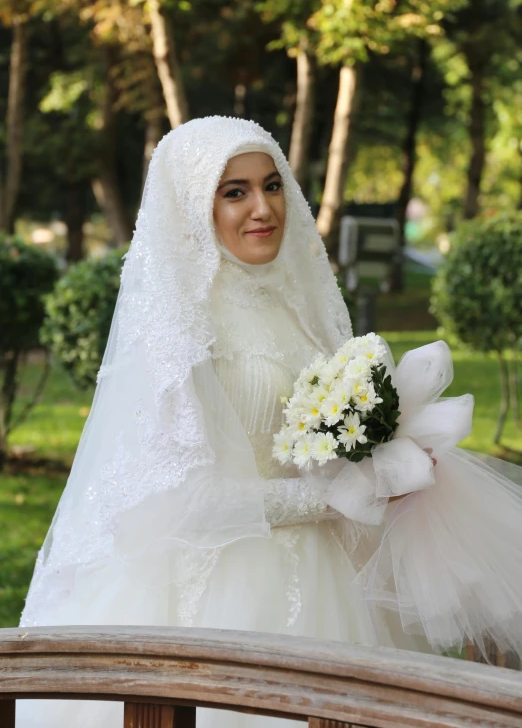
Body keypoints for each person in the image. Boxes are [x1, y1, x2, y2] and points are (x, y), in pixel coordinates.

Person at [17, 117, 522, 728]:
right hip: (220, 594)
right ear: (191, 205)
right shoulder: (178, 332)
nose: (263, 208)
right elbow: (183, 500)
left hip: (331, 576)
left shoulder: (298, 303)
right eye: (234, 192)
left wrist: (385, 458)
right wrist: (329, 497)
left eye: (272, 185)